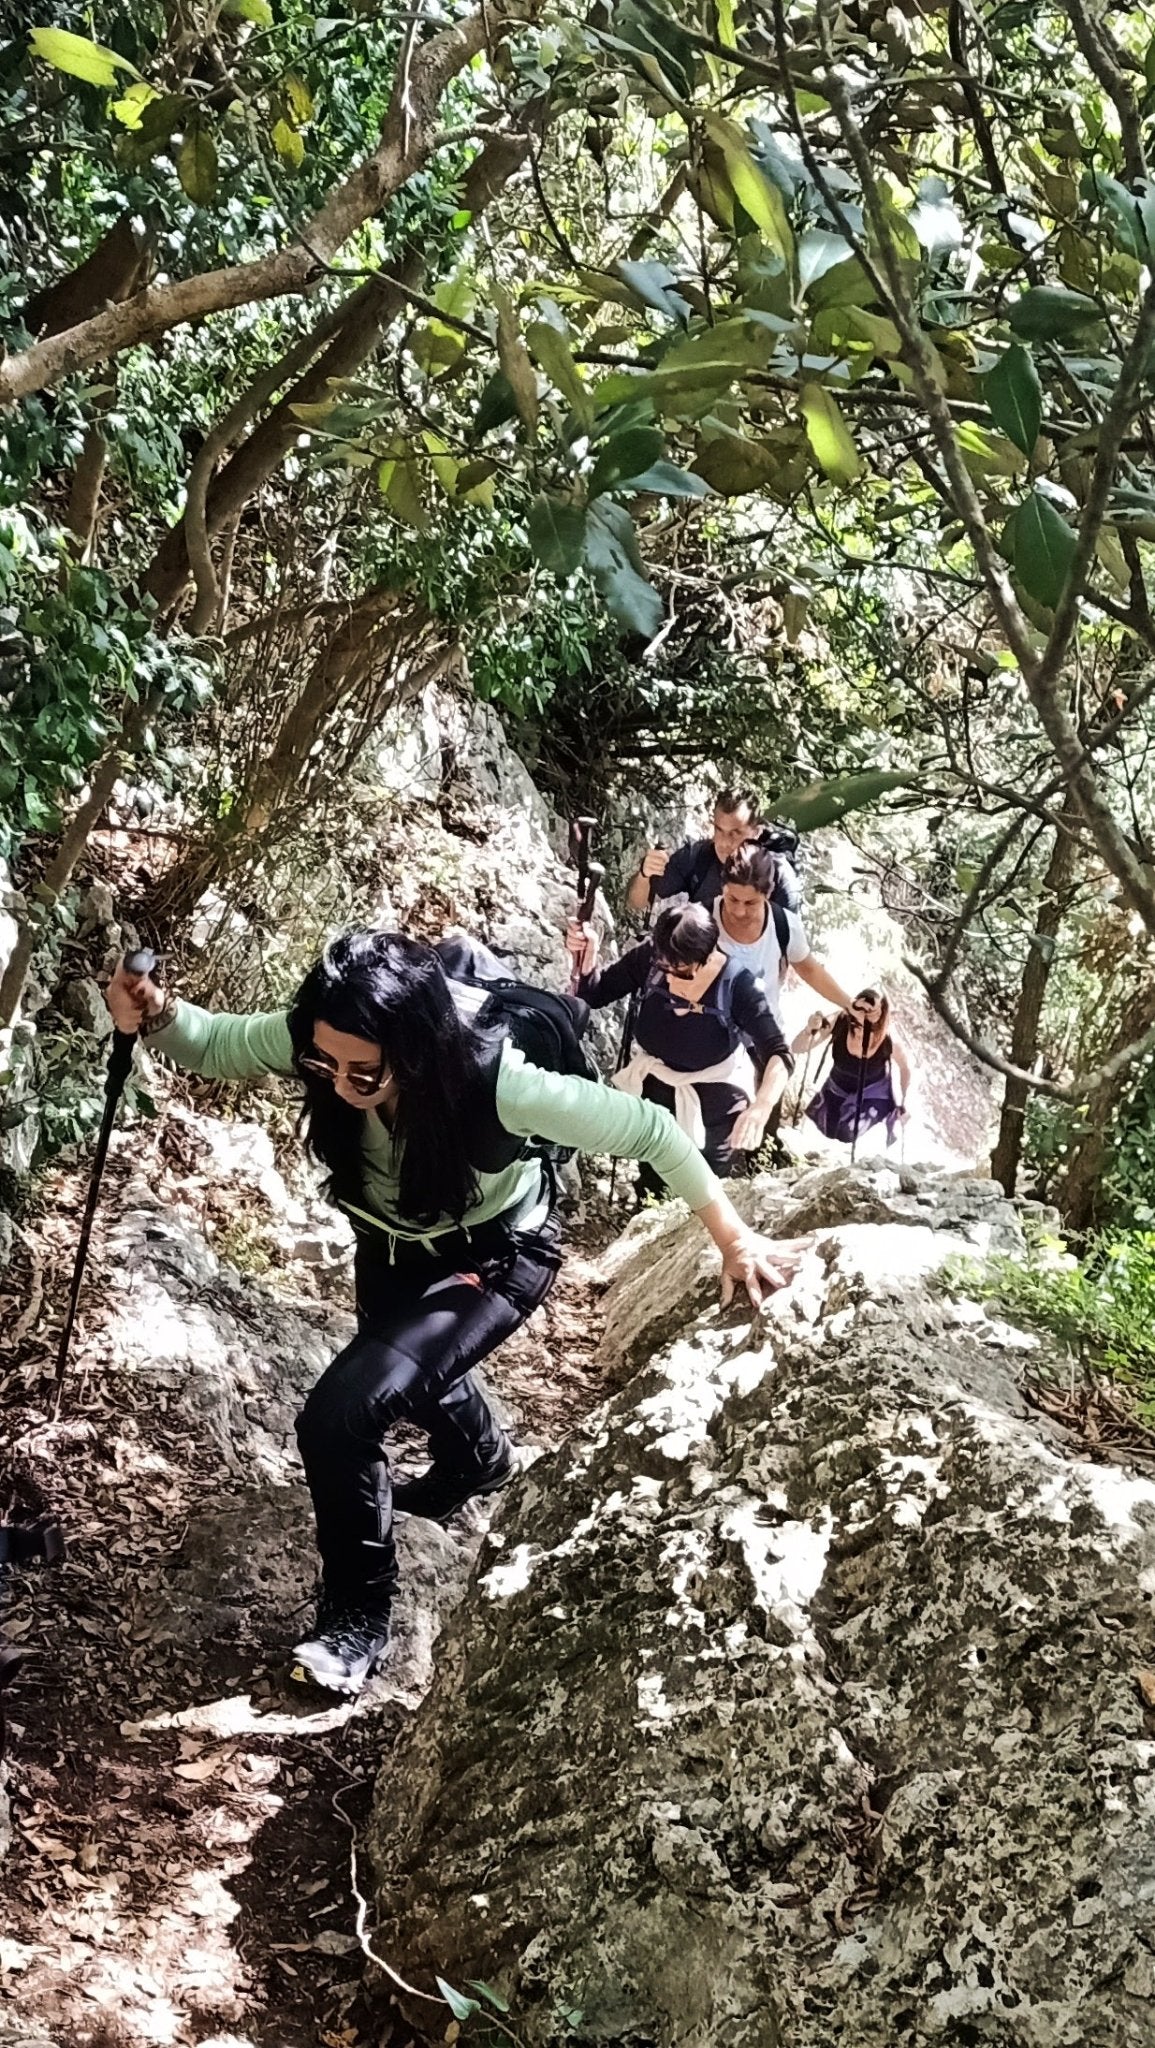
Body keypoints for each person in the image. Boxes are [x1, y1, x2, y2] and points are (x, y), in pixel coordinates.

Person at [105, 931, 804, 1695]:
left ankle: (355, 1623)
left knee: (340, 1418)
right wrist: (154, 1010)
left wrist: (733, 1241)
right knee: (405, 1370)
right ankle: (478, 1460)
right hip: (391, 1244)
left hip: (496, 1255)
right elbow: (216, 1044)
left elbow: (653, 1131)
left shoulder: (499, 1081)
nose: (339, 1083)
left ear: (415, 1048)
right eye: (320, 1065)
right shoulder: (328, 1033)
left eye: (364, 1071)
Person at [566, 902, 793, 1184]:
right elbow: (595, 995)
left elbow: (779, 1055)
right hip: (657, 1092)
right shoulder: (651, 959)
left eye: (683, 972)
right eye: (665, 969)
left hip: (716, 1106)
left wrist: (761, 1108)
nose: (671, 982)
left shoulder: (738, 985)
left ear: (709, 955)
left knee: (705, 1187)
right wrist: (586, 960)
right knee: (653, 1181)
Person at [714, 843, 856, 1030]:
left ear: (768, 894)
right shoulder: (701, 920)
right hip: (710, 1039)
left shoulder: (784, 926)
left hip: (763, 1040)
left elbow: (809, 970)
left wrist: (850, 1005)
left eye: (750, 903)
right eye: (733, 899)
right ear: (723, 887)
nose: (740, 911)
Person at [792, 988, 912, 1149]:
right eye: (855, 1024)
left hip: (872, 1094)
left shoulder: (890, 1041)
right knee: (828, 1131)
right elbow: (798, 1047)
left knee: (846, 1134)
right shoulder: (839, 1020)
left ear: (880, 1023)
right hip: (837, 1086)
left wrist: (904, 1101)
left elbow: (905, 1068)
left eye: (869, 1026)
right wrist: (809, 1030)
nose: (861, 1030)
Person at [625, 785, 759, 916]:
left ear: (756, 833)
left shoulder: (776, 877)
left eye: (735, 833)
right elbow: (635, 904)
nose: (724, 842)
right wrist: (644, 875)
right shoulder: (698, 857)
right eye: (719, 830)